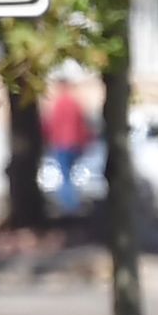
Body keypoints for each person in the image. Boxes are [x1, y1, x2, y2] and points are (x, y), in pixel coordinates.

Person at [42, 81, 93, 217]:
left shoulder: (58, 104)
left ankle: (68, 205)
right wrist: (84, 143)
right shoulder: (75, 103)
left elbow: (50, 125)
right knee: (69, 174)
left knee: (65, 175)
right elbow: (82, 125)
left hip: (61, 144)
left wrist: (47, 139)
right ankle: (71, 203)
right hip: (74, 144)